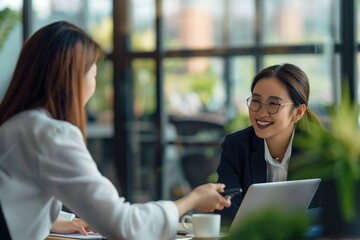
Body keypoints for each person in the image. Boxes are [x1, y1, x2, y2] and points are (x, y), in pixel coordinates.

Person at [0, 21, 231, 239]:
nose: (94, 82)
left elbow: (15, 197)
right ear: (73, 79)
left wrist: (55, 220)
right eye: (94, 74)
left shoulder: (16, 125)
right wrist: (192, 200)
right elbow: (124, 225)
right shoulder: (51, 135)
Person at [214, 63, 323, 223]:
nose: (261, 112)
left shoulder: (320, 149)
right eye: (256, 101)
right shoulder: (236, 146)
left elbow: (331, 211)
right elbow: (225, 208)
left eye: (273, 104)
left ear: (298, 112)